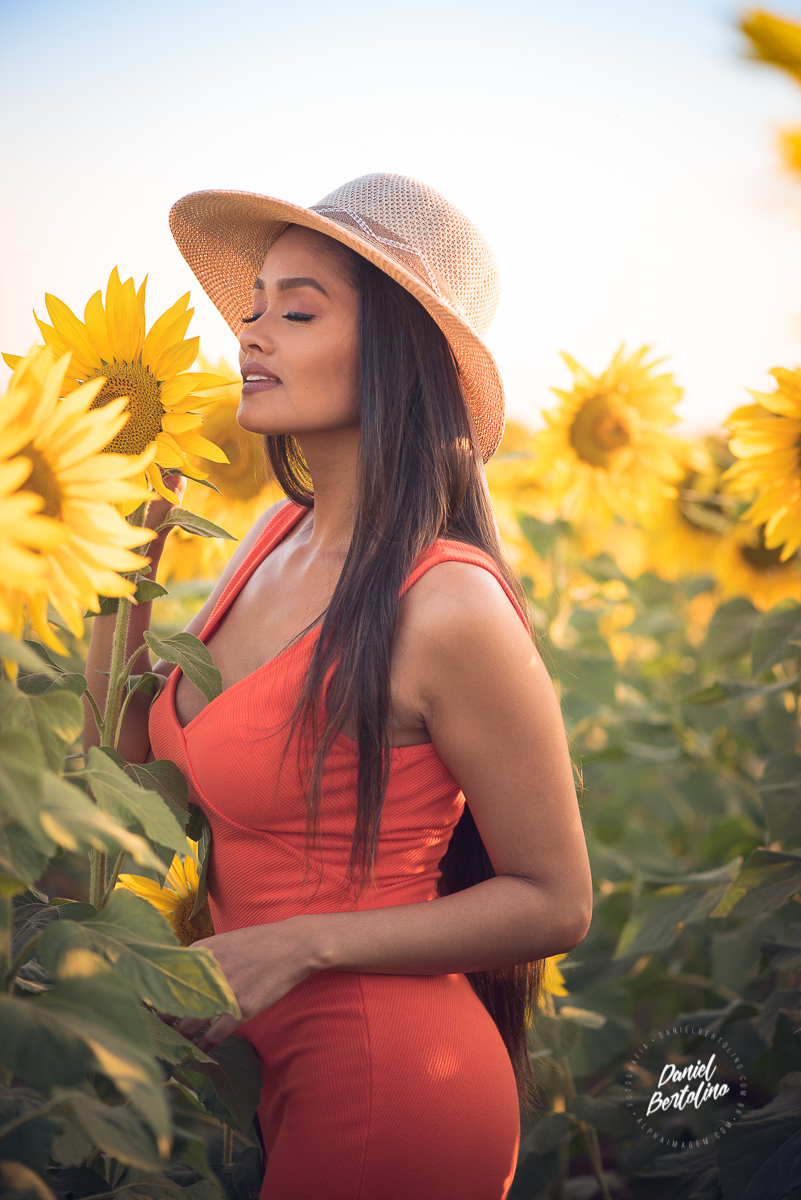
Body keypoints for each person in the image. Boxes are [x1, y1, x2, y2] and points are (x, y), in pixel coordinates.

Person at [83, 173, 593, 1200]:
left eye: (298, 311)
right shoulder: (270, 539)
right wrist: (119, 562)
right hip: (263, 1080)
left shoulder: (447, 606)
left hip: (391, 1083)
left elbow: (556, 901)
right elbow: (116, 765)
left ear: (399, 354)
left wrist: (299, 946)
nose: (251, 332)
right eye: (253, 306)